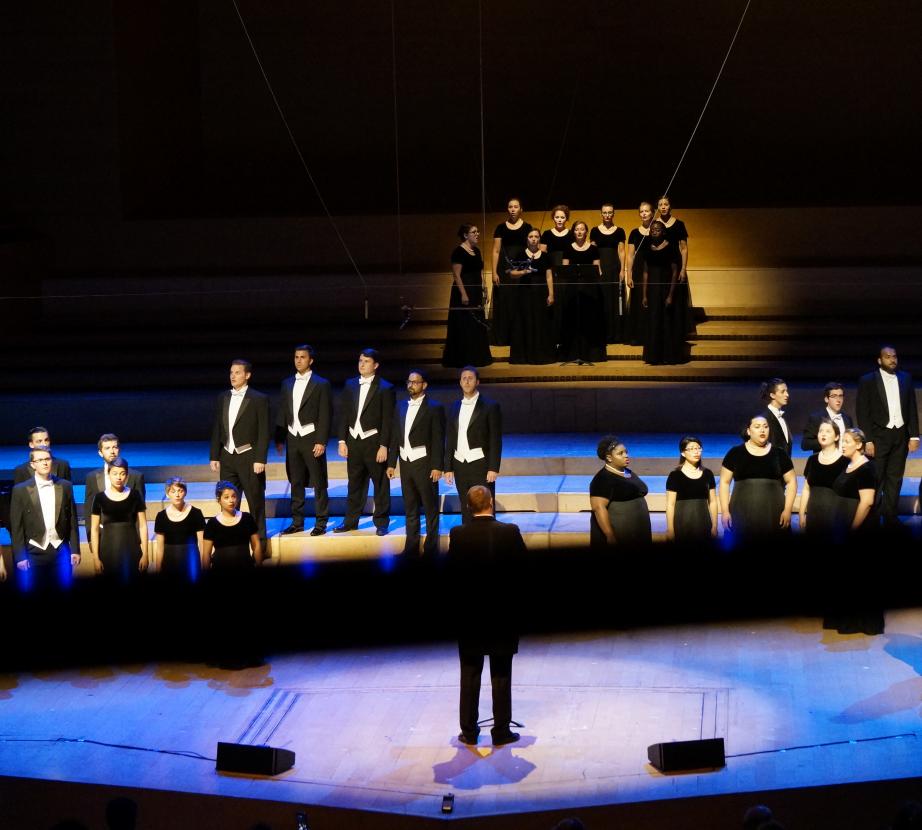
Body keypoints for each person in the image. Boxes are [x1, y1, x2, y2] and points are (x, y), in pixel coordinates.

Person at [448, 485, 525, 746]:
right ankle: (501, 732)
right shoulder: (510, 532)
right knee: (501, 675)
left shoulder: (458, 534)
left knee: (469, 675)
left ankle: (469, 732)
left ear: (468, 507)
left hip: (470, 618)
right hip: (502, 616)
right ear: (491, 502)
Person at [856, 345, 919, 527]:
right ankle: (874, 517)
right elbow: (863, 412)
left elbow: (911, 408)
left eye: (894, 356)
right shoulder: (868, 380)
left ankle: (891, 515)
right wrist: (867, 439)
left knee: (895, 477)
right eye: (888, 356)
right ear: (879, 360)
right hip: (878, 436)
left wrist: (914, 435)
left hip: (900, 435)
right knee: (878, 477)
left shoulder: (905, 378)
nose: (892, 359)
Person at [209, 359, 270, 546]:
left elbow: (263, 431)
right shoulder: (223, 397)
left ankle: (260, 545)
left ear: (247, 375)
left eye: (237, 372)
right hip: (227, 456)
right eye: (231, 373)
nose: (233, 376)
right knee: (227, 500)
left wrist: (260, 458)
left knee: (255, 502)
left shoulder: (258, 398)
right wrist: (214, 455)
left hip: (249, 457)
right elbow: (218, 428)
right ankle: (229, 540)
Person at [827, 428, 882, 634]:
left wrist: (852, 529)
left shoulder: (867, 468)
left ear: (859, 445)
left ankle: (861, 622)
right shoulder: (848, 465)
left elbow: (867, 502)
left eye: (847, 441)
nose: (843, 444)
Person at [335, 348, 396, 535]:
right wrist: (341, 441)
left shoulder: (386, 388)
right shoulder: (350, 384)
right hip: (354, 441)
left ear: (376, 365)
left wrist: (384, 445)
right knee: (354, 484)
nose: (362, 364)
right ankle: (350, 521)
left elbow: (388, 420)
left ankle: (381, 522)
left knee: (380, 484)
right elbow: (344, 414)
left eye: (366, 361)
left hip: (374, 441)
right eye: (360, 360)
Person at [275, 344, 332, 536]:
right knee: (296, 481)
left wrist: (321, 441)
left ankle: (321, 522)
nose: (298, 360)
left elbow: (325, 413)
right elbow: (283, 410)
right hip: (293, 437)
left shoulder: (321, 384)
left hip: (311, 437)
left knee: (318, 481)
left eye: (302, 357)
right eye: (296, 357)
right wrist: (280, 437)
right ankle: (297, 521)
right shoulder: (287, 383)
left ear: (311, 360)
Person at [387, 370, 445, 557]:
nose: (411, 385)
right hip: (406, 462)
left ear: (424, 385)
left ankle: (430, 548)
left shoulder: (434, 408)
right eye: (409, 382)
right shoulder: (400, 406)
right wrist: (391, 463)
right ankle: (411, 547)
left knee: (430, 507)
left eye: (415, 382)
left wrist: (437, 466)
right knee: (410, 507)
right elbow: (396, 435)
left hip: (425, 462)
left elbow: (438, 439)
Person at [9, 447, 81, 589]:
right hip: (34, 552)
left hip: (60, 549)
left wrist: (75, 550)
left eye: (47, 459)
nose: (45, 463)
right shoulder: (20, 490)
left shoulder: (65, 486)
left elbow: (72, 520)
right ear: (32, 464)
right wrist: (20, 556)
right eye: (40, 460)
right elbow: (16, 526)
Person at [719, 416, 797, 544]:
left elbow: (792, 481)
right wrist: (725, 511)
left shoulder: (779, 453)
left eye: (765, 427)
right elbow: (724, 482)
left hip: (773, 513)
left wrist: (787, 510)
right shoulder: (735, 453)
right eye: (757, 427)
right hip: (741, 512)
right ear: (748, 431)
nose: (762, 430)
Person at [445, 366, 502, 523]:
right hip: (460, 464)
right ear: (460, 382)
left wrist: (493, 468)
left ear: (477, 382)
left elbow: (495, 439)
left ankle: (488, 543)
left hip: (481, 464)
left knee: (484, 507)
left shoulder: (490, 406)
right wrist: (448, 467)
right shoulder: (454, 406)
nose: (467, 381)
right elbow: (450, 438)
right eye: (464, 378)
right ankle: (468, 541)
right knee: (466, 506)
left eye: (470, 378)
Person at [442, 224, 493, 368]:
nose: (477, 234)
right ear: (465, 235)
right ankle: (463, 358)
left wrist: (484, 289)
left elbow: (479, 272)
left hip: (476, 290)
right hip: (464, 291)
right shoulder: (458, 252)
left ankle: (478, 357)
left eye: (477, 232)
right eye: (474, 232)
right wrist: (464, 294)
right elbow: (456, 275)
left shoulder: (476, 251)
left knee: (476, 324)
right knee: (465, 324)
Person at [90, 456, 148, 580]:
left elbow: (143, 525)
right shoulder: (99, 497)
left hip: (131, 548)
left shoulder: (135, 495)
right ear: (108, 474)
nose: (119, 477)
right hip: (108, 550)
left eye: (122, 474)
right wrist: (95, 557)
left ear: (127, 475)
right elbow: (94, 529)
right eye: (115, 473)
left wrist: (146, 554)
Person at [589, 435, 652, 547]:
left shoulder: (627, 473)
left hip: (638, 533)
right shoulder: (602, 479)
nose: (626, 456)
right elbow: (599, 508)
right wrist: (610, 535)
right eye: (620, 453)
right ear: (609, 457)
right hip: (620, 534)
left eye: (626, 452)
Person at [506, 227, 555, 364]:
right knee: (526, 321)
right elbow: (511, 274)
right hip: (525, 293)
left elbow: (549, 276)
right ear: (527, 239)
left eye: (536, 236)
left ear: (539, 239)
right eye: (531, 236)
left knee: (541, 322)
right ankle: (525, 356)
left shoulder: (545, 256)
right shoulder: (521, 254)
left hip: (541, 292)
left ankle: (541, 355)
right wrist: (523, 272)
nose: (534, 239)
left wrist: (551, 294)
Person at [559, 220, 606, 364]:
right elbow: (564, 269)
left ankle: (590, 353)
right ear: (573, 232)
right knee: (572, 320)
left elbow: (597, 269)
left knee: (589, 320)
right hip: (572, 289)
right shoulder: (568, 248)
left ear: (586, 232)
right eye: (577, 229)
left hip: (589, 289)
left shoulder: (593, 249)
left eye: (582, 229)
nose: (579, 232)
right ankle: (572, 353)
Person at [491, 198, 533, 346]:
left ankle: (521, 337)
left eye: (516, 207)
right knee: (505, 301)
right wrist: (494, 272)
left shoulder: (528, 227)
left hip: (521, 266)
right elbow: (496, 251)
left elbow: (532, 249)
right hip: (504, 268)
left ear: (521, 209)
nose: (513, 209)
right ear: (507, 209)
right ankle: (504, 337)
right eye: (510, 207)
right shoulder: (500, 228)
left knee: (520, 300)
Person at [799, 419, 848, 537]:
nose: (823, 434)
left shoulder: (845, 461)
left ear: (837, 437)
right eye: (821, 431)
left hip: (836, 517)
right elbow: (806, 488)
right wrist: (801, 514)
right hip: (814, 515)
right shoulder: (812, 460)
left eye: (828, 431)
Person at [84, 433, 146, 524]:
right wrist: (91, 536)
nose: (112, 451)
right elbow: (89, 510)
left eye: (115, 447)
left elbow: (140, 512)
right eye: (107, 448)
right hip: (102, 533)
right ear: (100, 453)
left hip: (129, 532)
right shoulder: (92, 478)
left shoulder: (136, 477)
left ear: (119, 450)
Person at [641, 219, 679, 365]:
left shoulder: (671, 248)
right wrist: (644, 294)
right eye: (652, 230)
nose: (654, 231)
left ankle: (668, 356)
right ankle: (653, 357)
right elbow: (645, 272)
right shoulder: (647, 249)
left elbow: (675, 272)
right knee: (653, 321)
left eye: (657, 229)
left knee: (666, 321)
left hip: (665, 288)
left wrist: (670, 295)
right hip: (652, 290)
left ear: (663, 232)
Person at [665, 436, 718, 542]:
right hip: (682, 524)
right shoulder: (675, 475)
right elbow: (670, 504)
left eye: (698, 448)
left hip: (703, 523)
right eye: (692, 449)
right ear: (683, 453)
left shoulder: (708, 474)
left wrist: (715, 526)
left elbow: (712, 502)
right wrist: (670, 529)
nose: (696, 452)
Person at [657, 195, 694, 338]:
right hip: (660, 264)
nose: (663, 207)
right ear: (658, 208)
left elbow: (684, 248)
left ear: (670, 206)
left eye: (666, 204)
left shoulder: (679, 224)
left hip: (676, 264)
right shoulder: (655, 224)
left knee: (676, 297)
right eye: (660, 205)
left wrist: (683, 268)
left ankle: (677, 330)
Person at [153, 477, 206, 579]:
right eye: (173, 491)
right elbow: (159, 548)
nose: (177, 495)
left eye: (180, 491)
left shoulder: (196, 513)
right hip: (169, 562)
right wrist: (158, 569)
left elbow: (202, 543)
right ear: (168, 494)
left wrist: (204, 566)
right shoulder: (161, 516)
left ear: (185, 492)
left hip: (191, 560)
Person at [202, 481, 262, 569]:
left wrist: (259, 565)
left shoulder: (247, 518)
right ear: (219, 500)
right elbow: (206, 554)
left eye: (233, 496)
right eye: (226, 497)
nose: (231, 500)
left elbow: (256, 545)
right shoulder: (212, 523)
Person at [590, 202, 627, 343]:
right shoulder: (594, 231)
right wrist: (595, 269)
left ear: (613, 214)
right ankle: (602, 334)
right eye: (604, 212)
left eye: (609, 212)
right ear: (601, 214)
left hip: (614, 269)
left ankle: (616, 335)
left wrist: (622, 270)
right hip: (600, 269)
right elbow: (592, 252)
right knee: (601, 300)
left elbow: (622, 251)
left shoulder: (619, 231)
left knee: (615, 301)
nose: (607, 215)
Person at [541, 205, 573, 346]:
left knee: (566, 303)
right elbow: (542, 255)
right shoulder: (547, 234)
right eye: (557, 217)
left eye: (562, 217)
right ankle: (553, 338)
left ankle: (566, 338)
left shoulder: (571, 234)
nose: (559, 219)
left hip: (567, 273)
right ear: (553, 218)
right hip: (551, 272)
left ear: (566, 218)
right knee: (554, 303)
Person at [625, 201, 654, 346]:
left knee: (652, 299)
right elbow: (630, 255)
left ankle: (652, 334)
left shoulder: (657, 230)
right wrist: (629, 275)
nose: (644, 214)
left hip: (653, 269)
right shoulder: (634, 233)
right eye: (641, 211)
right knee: (637, 302)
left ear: (652, 213)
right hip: (637, 270)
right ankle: (638, 335)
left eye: (646, 211)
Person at [801, 382, 853, 452]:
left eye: (840, 396)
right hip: (825, 461)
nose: (838, 400)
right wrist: (827, 442)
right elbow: (805, 444)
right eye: (834, 396)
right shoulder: (816, 418)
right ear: (826, 399)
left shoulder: (847, 418)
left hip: (845, 460)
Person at [760, 378, 793, 457]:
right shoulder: (764, 419)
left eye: (786, 391)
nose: (787, 394)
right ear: (772, 395)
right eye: (782, 392)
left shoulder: (781, 417)